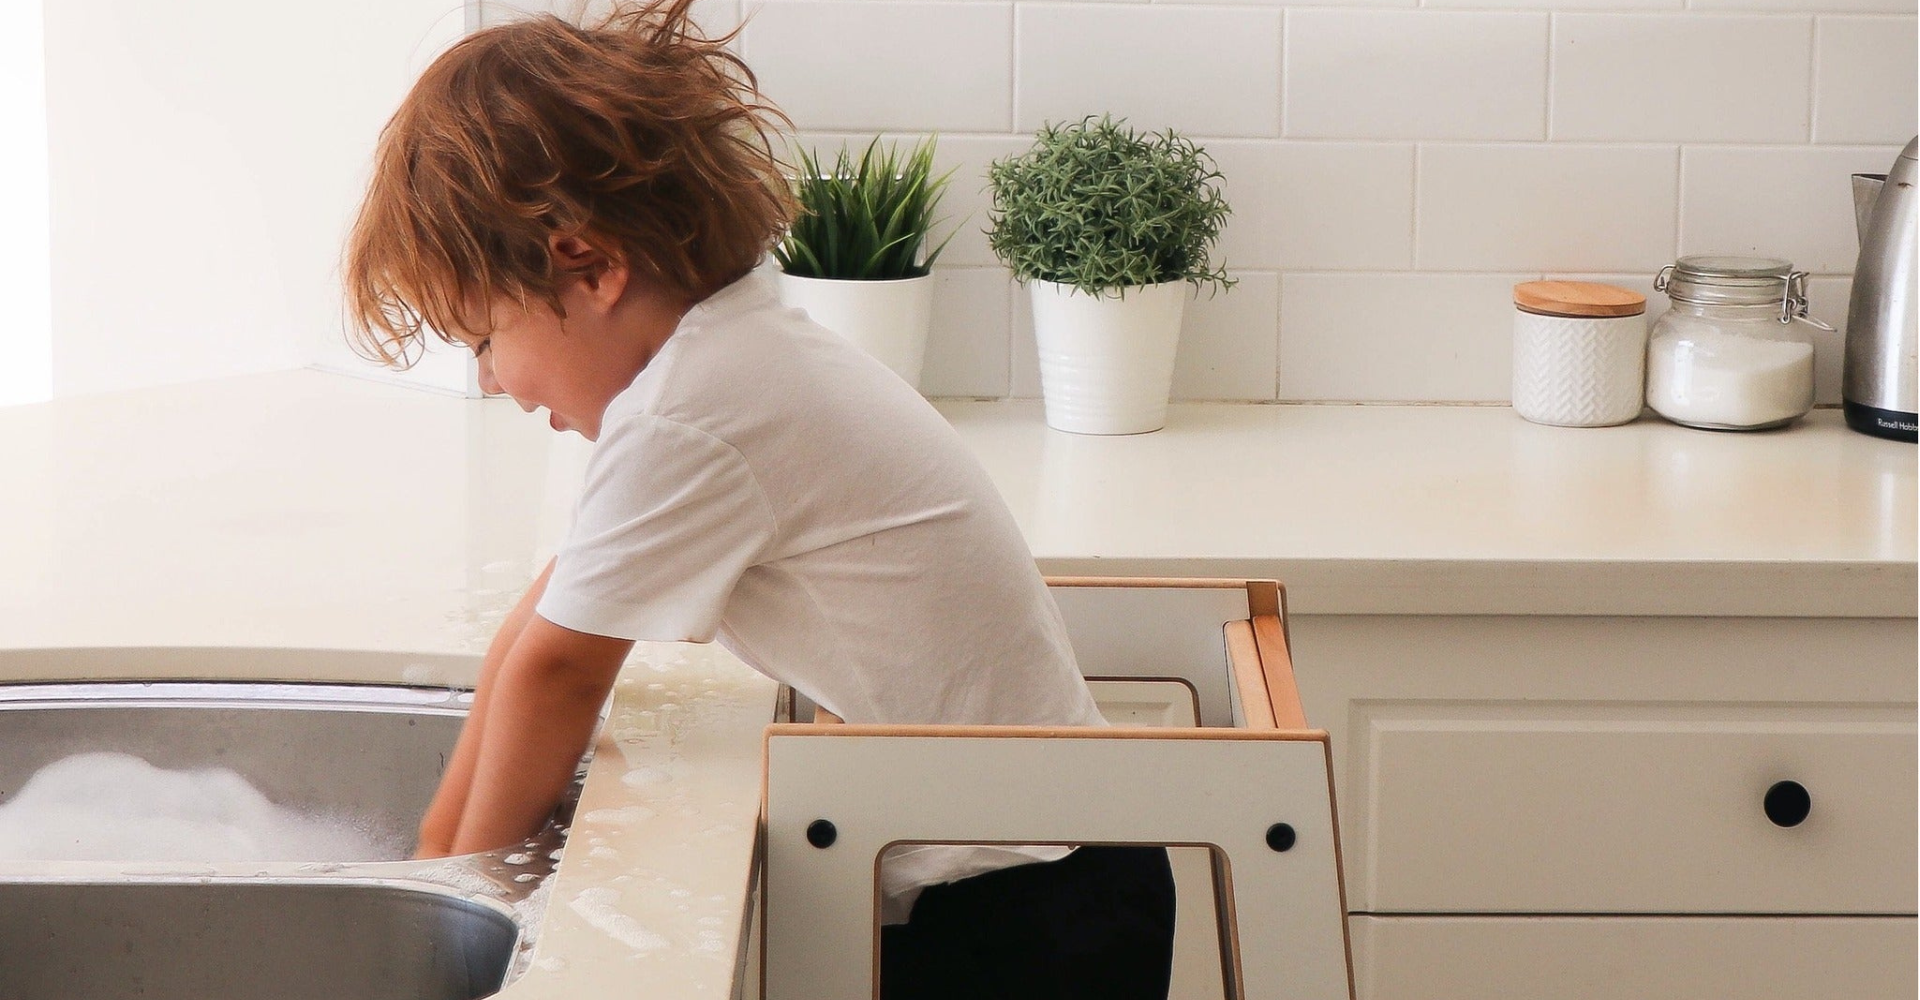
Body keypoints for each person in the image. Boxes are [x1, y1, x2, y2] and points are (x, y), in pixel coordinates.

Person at [340, 3, 1173, 997]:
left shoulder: (690, 412)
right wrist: (437, 858)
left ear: (593, 265)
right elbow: (545, 615)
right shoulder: (724, 358)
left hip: (1020, 906)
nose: (491, 382)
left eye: (484, 338)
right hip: (1046, 860)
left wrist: (451, 926)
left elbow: (561, 671)